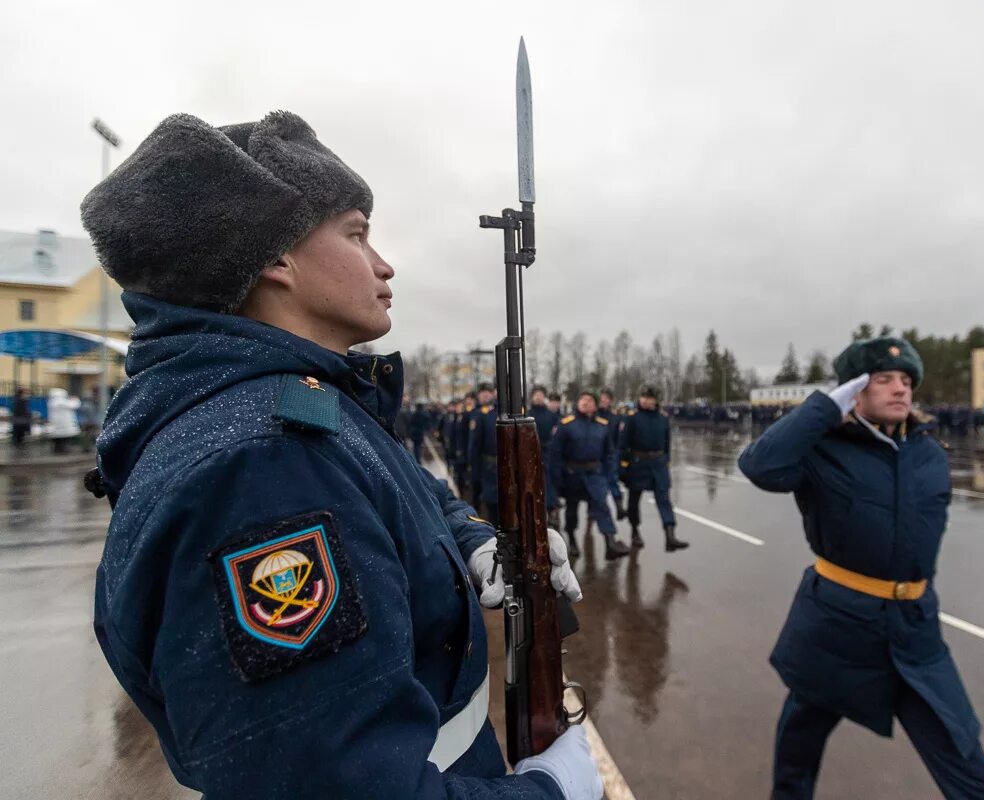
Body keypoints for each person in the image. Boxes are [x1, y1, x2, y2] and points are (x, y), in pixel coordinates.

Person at [82, 110, 600, 799]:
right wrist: (549, 795)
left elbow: (402, 488)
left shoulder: (299, 404)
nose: (383, 264)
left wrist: (477, 543)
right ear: (274, 259)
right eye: (357, 232)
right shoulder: (263, 466)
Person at [738, 337, 984, 800]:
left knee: (967, 762)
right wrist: (824, 407)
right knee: (798, 752)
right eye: (883, 380)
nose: (900, 389)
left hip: (914, 632)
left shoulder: (929, 454)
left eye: (906, 380)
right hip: (838, 625)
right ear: (854, 391)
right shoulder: (824, 449)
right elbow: (761, 466)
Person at [549, 391, 630, 561]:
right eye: (582, 400)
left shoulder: (602, 425)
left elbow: (609, 453)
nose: (585, 403)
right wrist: (557, 481)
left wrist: (609, 475)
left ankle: (610, 543)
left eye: (589, 400)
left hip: (595, 474)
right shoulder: (566, 424)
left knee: (602, 506)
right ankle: (571, 540)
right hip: (572, 474)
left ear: (595, 404)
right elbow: (555, 454)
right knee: (572, 511)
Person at [618, 386, 687, 552]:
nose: (645, 400)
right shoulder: (632, 418)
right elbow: (623, 444)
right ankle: (635, 531)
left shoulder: (663, 418)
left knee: (664, 499)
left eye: (649, 397)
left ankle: (670, 536)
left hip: (658, 464)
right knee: (634, 501)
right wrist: (623, 466)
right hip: (638, 463)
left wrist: (666, 460)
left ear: (655, 400)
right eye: (643, 397)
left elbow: (667, 443)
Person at [528, 385, 561, 526]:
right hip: (530, 452)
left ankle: (551, 508)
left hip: (548, 452)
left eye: (541, 394)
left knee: (548, 481)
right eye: (536, 394)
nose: (538, 397)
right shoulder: (526, 414)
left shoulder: (552, 415)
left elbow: (557, 433)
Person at [468, 382, 499, 522]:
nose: (486, 394)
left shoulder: (499, 412)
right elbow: (474, 445)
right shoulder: (478, 414)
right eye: (482, 392)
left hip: (503, 464)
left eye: (488, 391)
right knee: (490, 503)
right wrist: (474, 468)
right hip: (487, 465)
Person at [595, 389, 626, 521]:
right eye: (601, 398)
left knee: (613, 480)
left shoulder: (615, 418)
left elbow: (619, 438)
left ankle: (619, 507)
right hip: (595, 455)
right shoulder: (592, 416)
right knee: (597, 484)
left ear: (610, 401)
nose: (603, 400)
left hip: (610, 455)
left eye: (606, 398)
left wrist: (617, 455)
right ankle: (596, 510)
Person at [48, 387, 81, 453]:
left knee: (58, 439)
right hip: (64, 424)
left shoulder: (51, 402)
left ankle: (57, 449)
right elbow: (75, 405)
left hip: (57, 424)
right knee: (64, 438)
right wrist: (76, 399)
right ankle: (62, 450)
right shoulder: (60, 401)